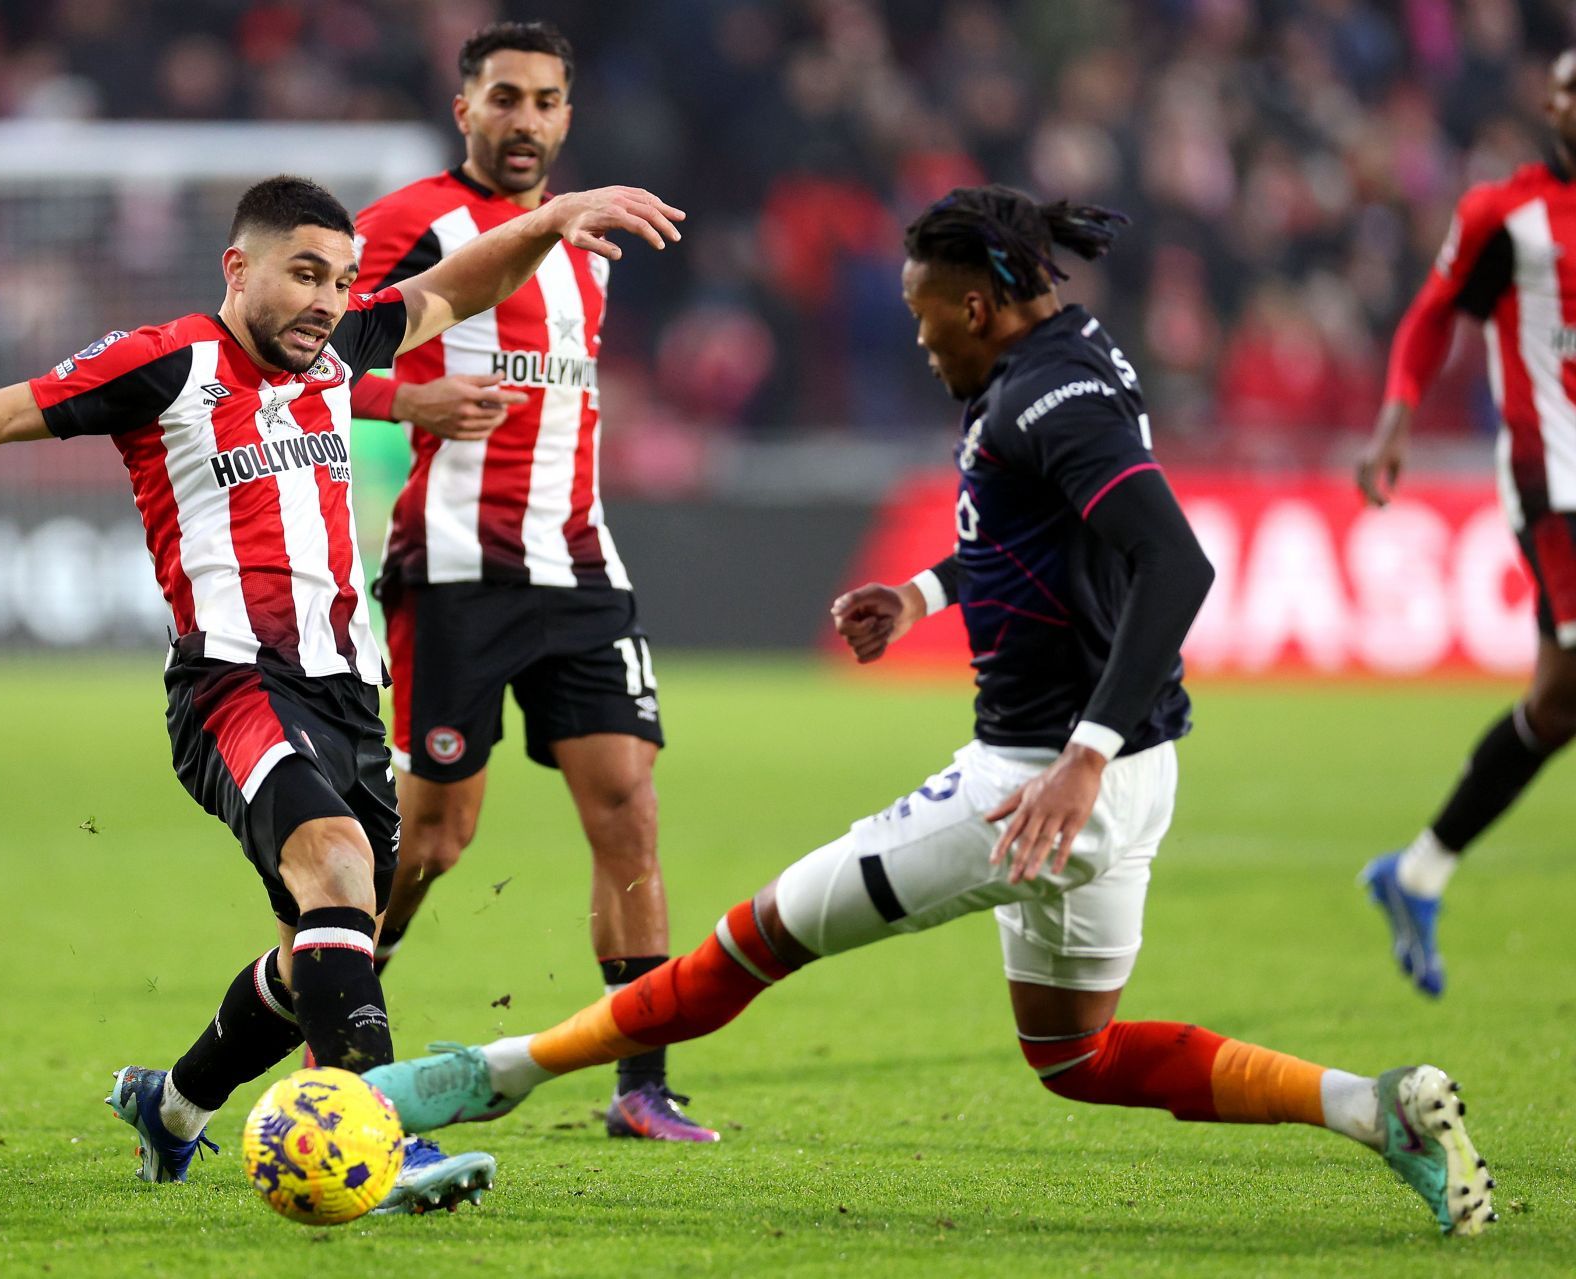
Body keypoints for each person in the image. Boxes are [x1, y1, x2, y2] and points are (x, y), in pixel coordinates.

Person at [359, 187, 1498, 1237]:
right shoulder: (1067, 352)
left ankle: (488, 1074)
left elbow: (1176, 566)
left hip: (1035, 783)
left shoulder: (1050, 395)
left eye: (924, 315)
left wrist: (1079, 759)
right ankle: (1370, 1108)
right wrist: (924, 591)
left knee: (752, 943)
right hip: (1133, 775)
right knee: (1076, 1052)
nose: (918, 337)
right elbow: (1048, 537)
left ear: (975, 302)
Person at [0, 173, 684, 1212]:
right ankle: (378, 1128)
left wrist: (543, 222)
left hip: (350, 690)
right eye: (305, 273)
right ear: (238, 267)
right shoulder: (166, 363)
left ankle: (170, 1105)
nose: (327, 299)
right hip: (232, 683)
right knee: (343, 872)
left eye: (343, 280)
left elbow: (452, 289)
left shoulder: (343, 345)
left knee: (314, 946)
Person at [346, 20, 712, 1141]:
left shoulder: (592, 244)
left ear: (567, 116)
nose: (525, 120)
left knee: (628, 811)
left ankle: (641, 1084)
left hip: (581, 566)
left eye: (547, 102)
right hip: (453, 572)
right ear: (466, 109)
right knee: (439, 837)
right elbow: (294, 362)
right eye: (504, 98)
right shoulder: (407, 224)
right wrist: (405, 401)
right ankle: (350, 985)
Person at [1354, 48, 1576, 1000]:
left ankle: (1417, 872)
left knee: (1562, 699)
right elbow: (1432, 313)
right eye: (1570, 89)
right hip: (1552, 476)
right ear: (1550, 104)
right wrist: (1398, 416)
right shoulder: (1507, 214)